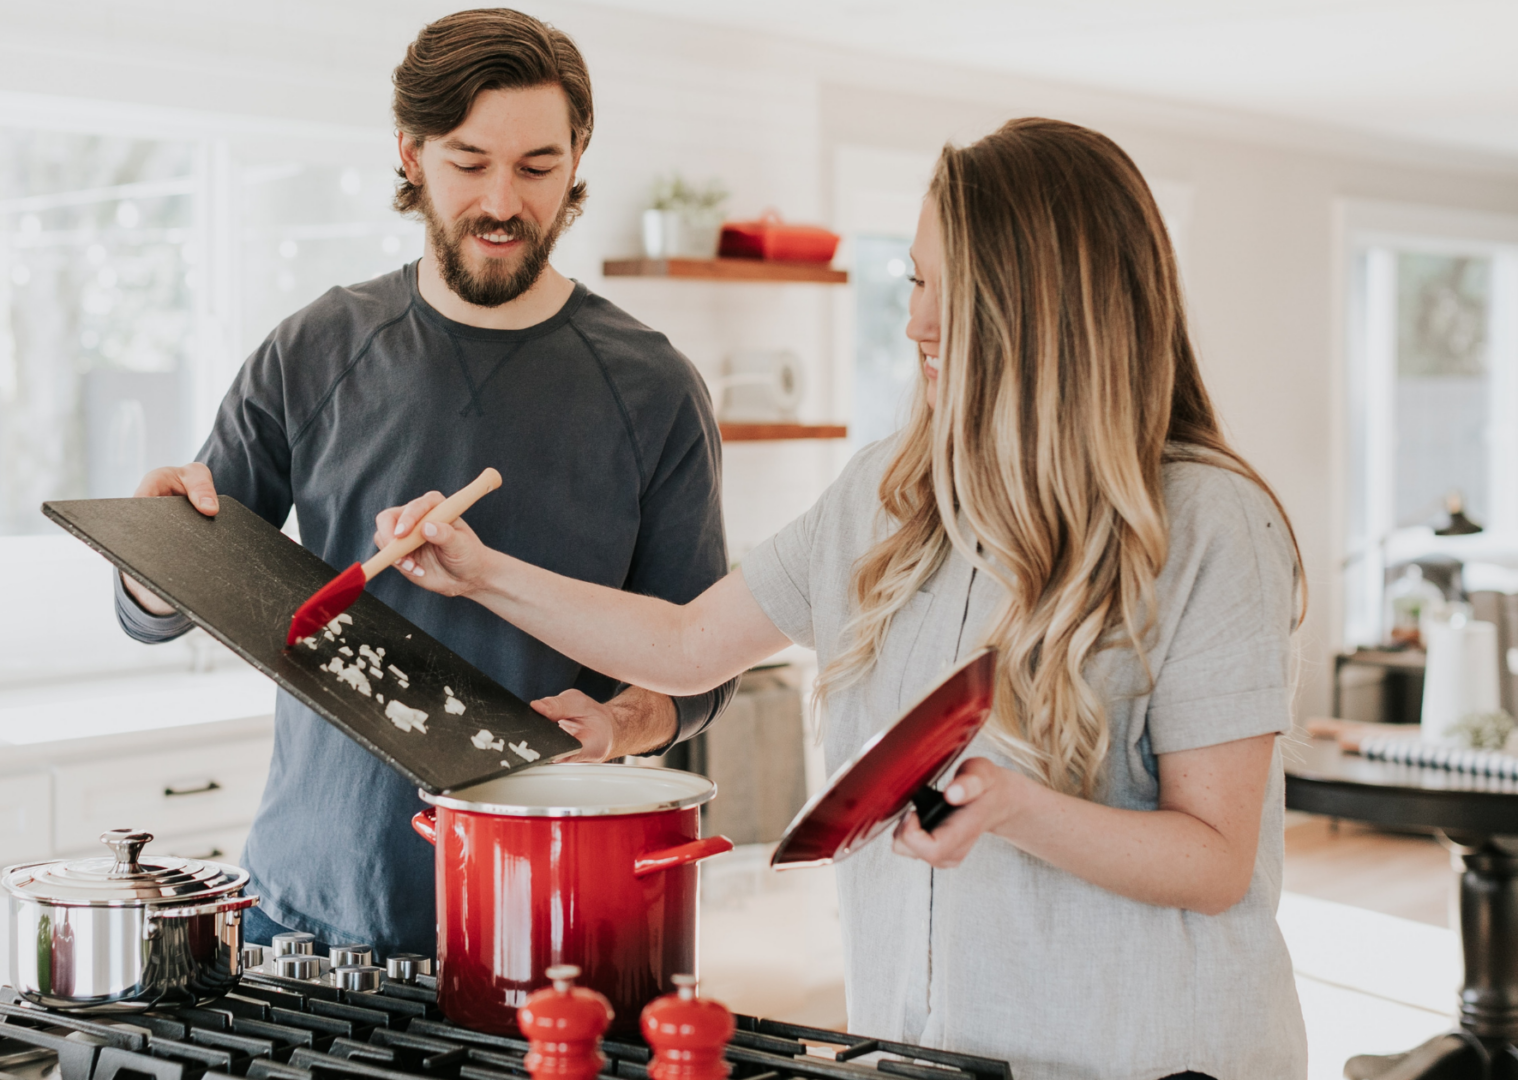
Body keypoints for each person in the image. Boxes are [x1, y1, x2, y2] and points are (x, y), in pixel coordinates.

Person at [376, 118, 1307, 1080]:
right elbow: (691, 643)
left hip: (1149, 1059)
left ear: (1049, 308)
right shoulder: (884, 497)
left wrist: (1015, 807)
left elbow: (1215, 860)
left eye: (952, 289)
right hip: (920, 1051)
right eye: (914, 280)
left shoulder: (1208, 521)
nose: (916, 323)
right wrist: (480, 571)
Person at [114, 8, 734, 958]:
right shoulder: (314, 349)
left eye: (536, 167)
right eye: (468, 161)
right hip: (307, 914)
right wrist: (150, 560)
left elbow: (701, 668)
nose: (502, 201)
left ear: (576, 160)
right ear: (410, 153)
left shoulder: (653, 389)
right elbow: (173, 592)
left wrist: (620, 723)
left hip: (551, 918)